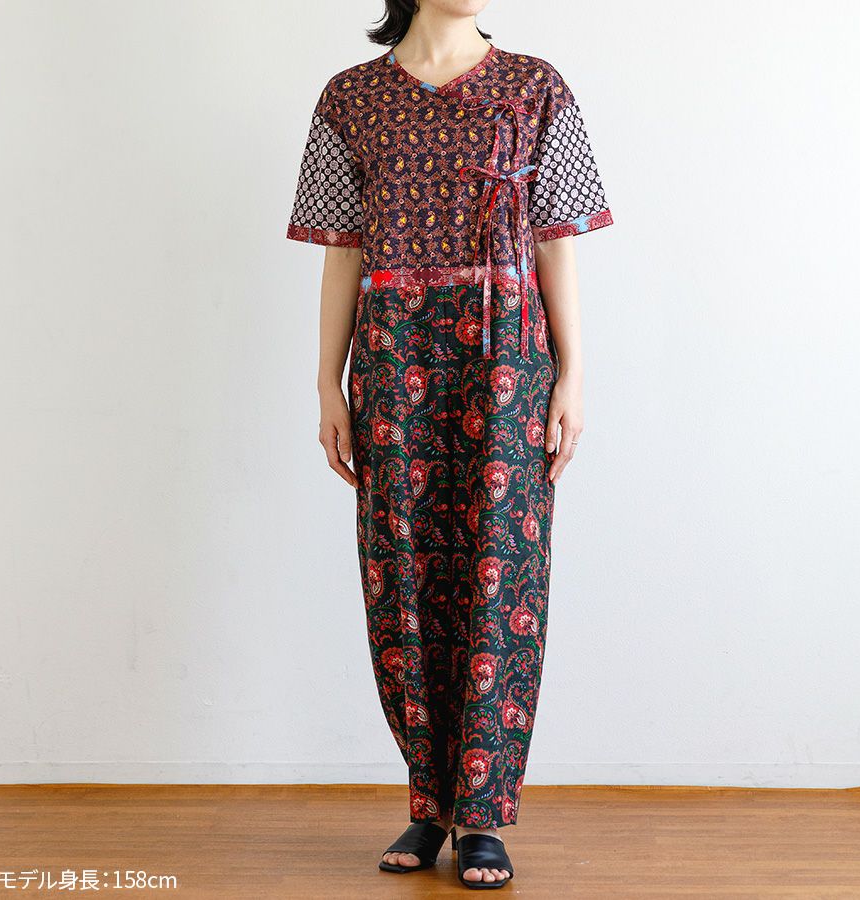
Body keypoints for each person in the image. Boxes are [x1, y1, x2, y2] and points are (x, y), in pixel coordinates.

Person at [286, 0, 612, 888]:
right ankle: (428, 801)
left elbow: (555, 243)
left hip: (507, 355)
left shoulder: (535, 87)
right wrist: (328, 382)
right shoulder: (351, 98)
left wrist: (574, 375)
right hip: (392, 359)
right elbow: (344, 251)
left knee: (502, 570)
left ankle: (482, 814)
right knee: (402, 572)